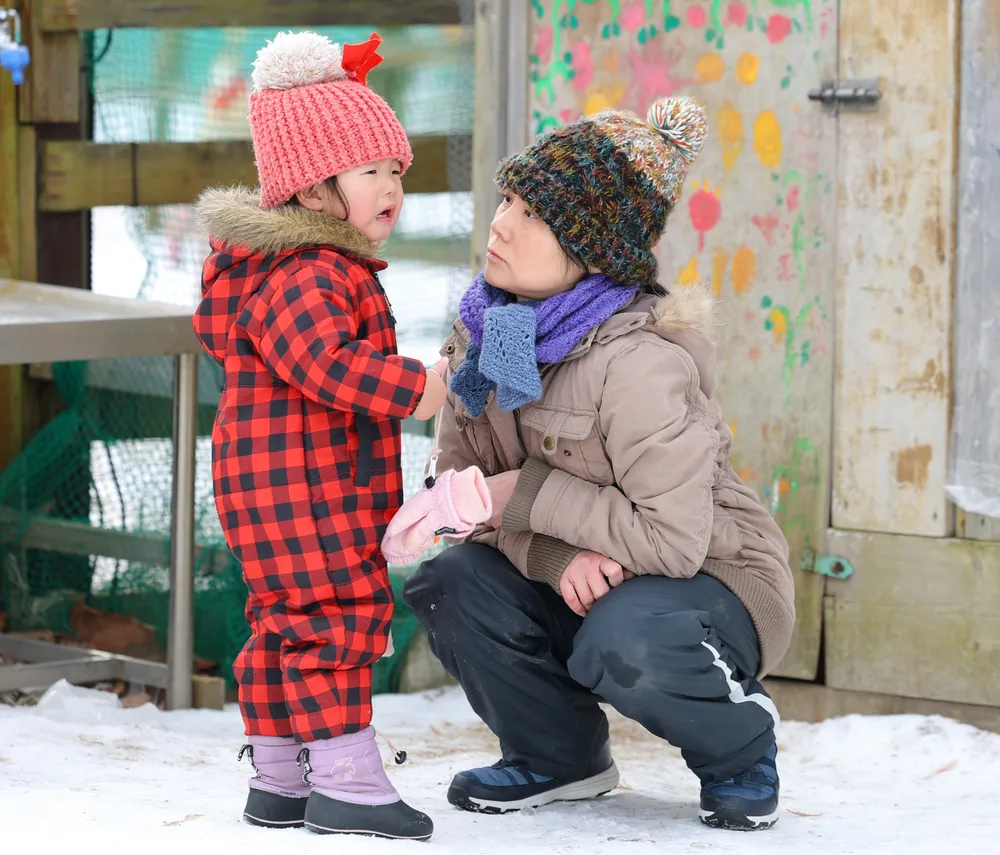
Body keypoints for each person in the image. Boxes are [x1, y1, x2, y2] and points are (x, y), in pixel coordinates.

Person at [402, 95, 795, 832]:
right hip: (589, 576)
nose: (499, 222)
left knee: (629, 637)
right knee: (452, 582)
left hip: (713, 582)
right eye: (507, 199)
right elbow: (466, 503)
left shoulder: (638, 363)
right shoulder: (484, 338)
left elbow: (673, 540)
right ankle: (558, 755)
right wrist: (551, 552)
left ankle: (741, 749)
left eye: (532, 214)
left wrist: (520, 492)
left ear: (593, 250)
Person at [192, 30, 443, 840]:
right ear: (310, 189)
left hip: (275, 485)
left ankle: (279, 775)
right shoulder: (310, 272)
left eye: (396, 169)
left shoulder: (290, 266)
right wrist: (421, 387)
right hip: (304, 488)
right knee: (333, 615)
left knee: (285, 621)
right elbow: (327, 364)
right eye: (369, 169)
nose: (391, 186)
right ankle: (346, 780)